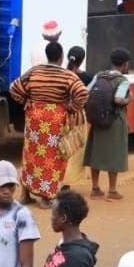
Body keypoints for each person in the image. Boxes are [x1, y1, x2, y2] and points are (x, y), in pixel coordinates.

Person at [8, 41, 89, 206]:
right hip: (55, 121)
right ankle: (46, 197)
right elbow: (82, 93)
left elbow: (14, 88)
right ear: (61, 57)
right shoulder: (67, 75)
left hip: (34, 119)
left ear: (47, 55)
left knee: (31, 156)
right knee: (52, 158)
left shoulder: (34, 71)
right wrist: (70, 108)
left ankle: (26, 194)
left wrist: (26, 102)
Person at [84, 48, 132, 201]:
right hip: (115, 121)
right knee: (114, 154)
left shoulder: (99, 75)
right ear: (125, 64)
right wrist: (129, 99)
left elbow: (86, 91)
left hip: (98, 119)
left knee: (95, 153)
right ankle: (112, 190)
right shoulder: (123, 81)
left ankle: (95, 188)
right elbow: (118, 99)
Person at [62, 46, 93, 189]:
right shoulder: (87, 78)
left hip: (61, 118)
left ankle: (58, 179)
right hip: (78, 119)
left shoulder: (61, 75)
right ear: (82, 60)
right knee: (74, 151)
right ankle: (67, 182)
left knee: (60, 150)